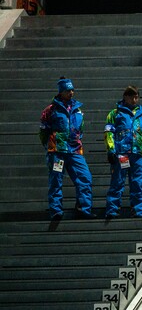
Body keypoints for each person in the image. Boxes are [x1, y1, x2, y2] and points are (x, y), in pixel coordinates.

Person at [39, 77, 95, 220]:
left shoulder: (77, 109)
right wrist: (50, 145)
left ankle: (83, 208)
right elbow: (43, 131)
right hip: (58, 151)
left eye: (72, 90)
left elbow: (80, 129)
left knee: (85, 177)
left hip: (75, 151)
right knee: (56, 179)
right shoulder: (51, 110)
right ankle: (56, 210)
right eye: (67, 90)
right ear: (61, 92)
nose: (71, 93)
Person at [104, 85, 142, 218]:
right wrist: (111, 149)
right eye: (132, 97)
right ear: (125, 97)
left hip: (138, 154)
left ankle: (139, 211)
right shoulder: (115, 114)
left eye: (136, 97)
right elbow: (109, 133)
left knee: (138, 183)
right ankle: (112, 210)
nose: (134, 100)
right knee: (118, 181)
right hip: (122, 154)